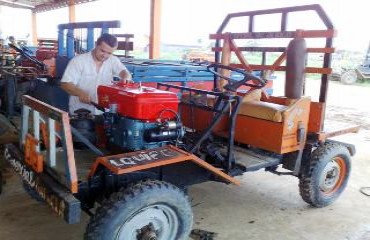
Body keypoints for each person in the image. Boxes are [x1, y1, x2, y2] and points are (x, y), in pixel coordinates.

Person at [60, 33, 132, 115]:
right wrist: (80, 93)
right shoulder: (78, 61)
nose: (105, 55)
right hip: (81, 113)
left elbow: (124, 72)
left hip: (105, 113)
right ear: (96, 45)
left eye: (109, 53)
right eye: (102, 51)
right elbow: (65, 84)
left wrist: (126, 77)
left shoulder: (113, 60)